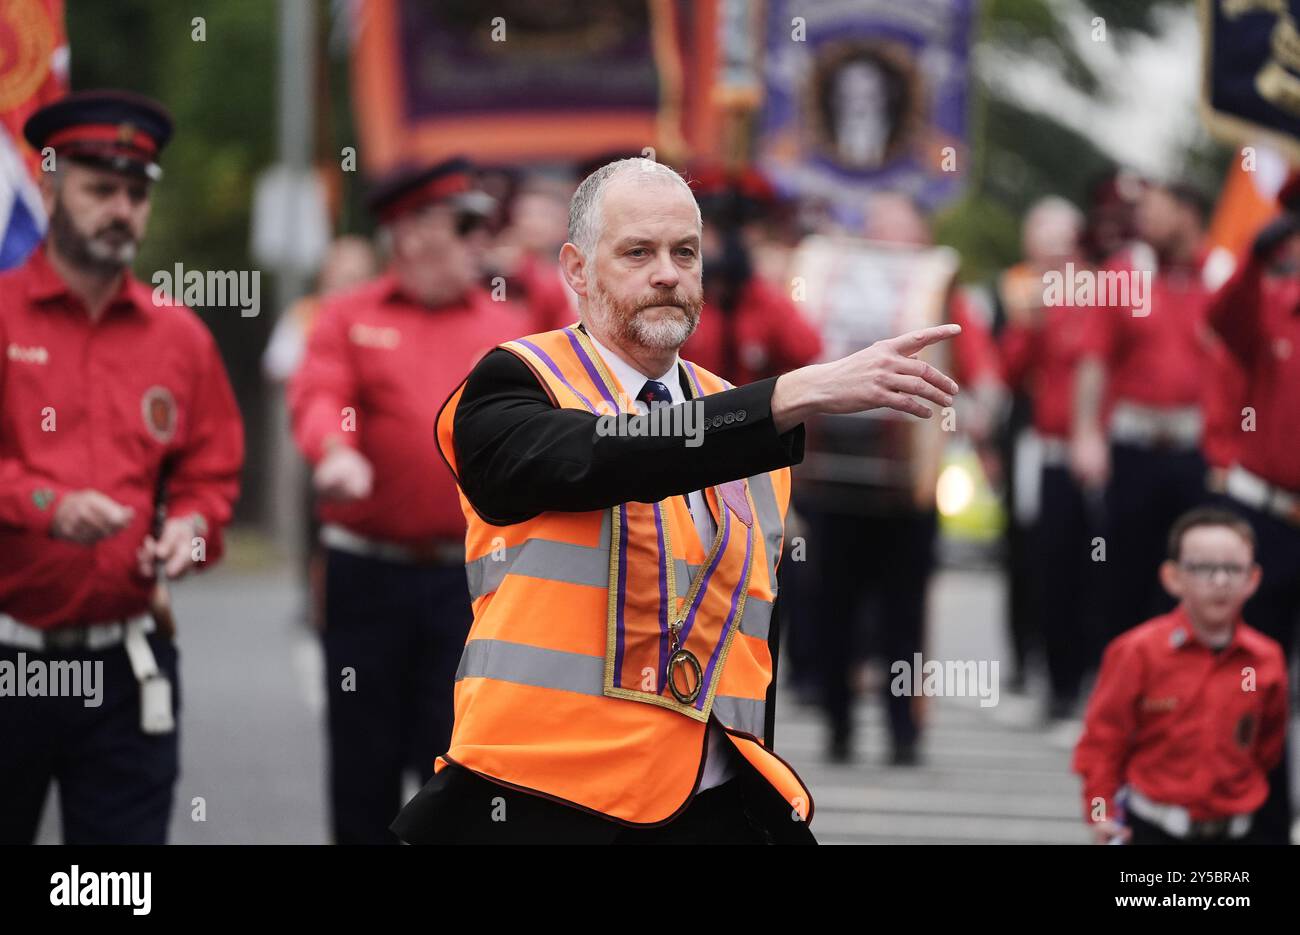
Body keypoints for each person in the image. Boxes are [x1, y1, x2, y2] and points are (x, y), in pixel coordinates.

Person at [390, 157, 962, 844]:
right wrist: (785, 397)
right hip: (543, 801)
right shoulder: (516, 381)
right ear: (576, 269)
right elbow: (607, 454)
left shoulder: (746, 425)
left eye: (684, 252)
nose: (667, 271)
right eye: (638, 252)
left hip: (717, 801)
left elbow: (748, 646)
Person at [0, 90, 244, 843]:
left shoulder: (180, 336)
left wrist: (192, 532)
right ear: (46, 184)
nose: (121, 210)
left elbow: (212, 475)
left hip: (127, 663)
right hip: (9, 657)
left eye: (136, 194)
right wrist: (46, 503)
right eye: (100, 188)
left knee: (112, 889)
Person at [287, 157, 527, 844]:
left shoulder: (503, 327)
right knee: (361, 760)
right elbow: (320, 393)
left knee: (456, 760)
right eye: (463, 226)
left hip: (471, 580)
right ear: (411, 233)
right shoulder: (346, 316)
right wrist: (334, 451)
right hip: (367, 574)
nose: (478, 243)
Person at [1072, 509, 1287, 845]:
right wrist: (1101, 814)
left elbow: (1268, 750)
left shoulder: (1266, 659)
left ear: (1253, 579)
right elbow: (1102, 743)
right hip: (1156, 830)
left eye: (1233, 568)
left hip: (1238, 831)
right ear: (1172, 577)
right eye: (1203, 568)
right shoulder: (1137, 651)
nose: (1220, 581)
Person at [1071, 181, 1218, 643]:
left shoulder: (1224, 274)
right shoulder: (1125, 271)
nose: (1143, 221)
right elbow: (1094, 360)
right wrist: (1085, 436)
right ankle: (1124, 689)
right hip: (1134, 448)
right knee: (1124, 576)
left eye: (1156, 210)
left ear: (1188, 213)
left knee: (1198, 575)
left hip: (1199, 452)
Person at [1203, 195, 1300, 844]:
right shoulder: (1271, 302)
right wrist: (1258, 252)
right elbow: (1222, 316)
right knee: (1257, 677)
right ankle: (1264, 828)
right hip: (1270, 518)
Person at [997, 196, 1100, 720]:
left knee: (1096, 566)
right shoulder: (1029, 297)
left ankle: (1087, 676)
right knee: (1040, 558)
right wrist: (1027, 323)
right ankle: (1047, 674)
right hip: (1047, 445)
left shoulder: (1102, 295)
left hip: (1099, 449)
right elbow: (1012, 372)